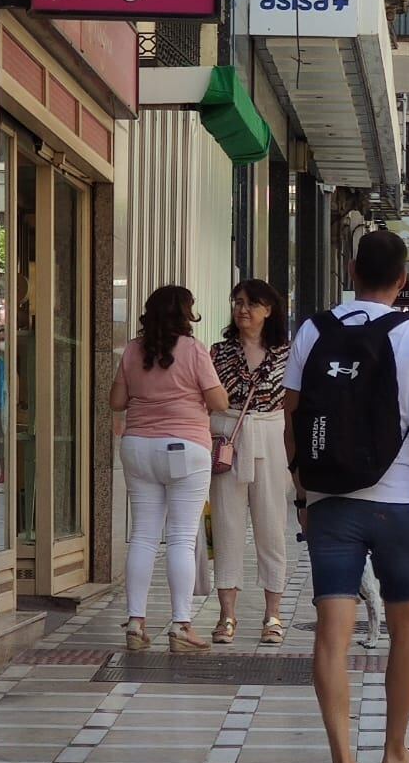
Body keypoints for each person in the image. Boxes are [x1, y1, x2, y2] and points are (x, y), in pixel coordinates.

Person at [284, 230, 409, 763]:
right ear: (404, 279)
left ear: (352, 267)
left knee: (333, 633)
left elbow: (293, 418)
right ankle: (393, 753)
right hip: (401, 503)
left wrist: (303, 494)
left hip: (332, 501)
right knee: (407, 626)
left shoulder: (313, 329)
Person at [111, 285, 229, 652]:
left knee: (144, 535)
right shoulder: (193, 350)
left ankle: (135, 622)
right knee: (180, 537)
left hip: (138, 447)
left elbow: (117, 401)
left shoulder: (133, 350)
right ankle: (181, 625)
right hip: (185, 448)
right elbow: (219, 401)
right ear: (185, 313)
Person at [210, 279, 293, 648]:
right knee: (226, 525)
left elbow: (296, 405)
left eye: (252, 303)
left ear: (269, 310)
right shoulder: (218, 352)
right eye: (238, 302)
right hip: (229, 436)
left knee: (271, 526)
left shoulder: (287, 354)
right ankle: (227, 614)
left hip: (272, 435)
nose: (243, 309)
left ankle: (272, 614)